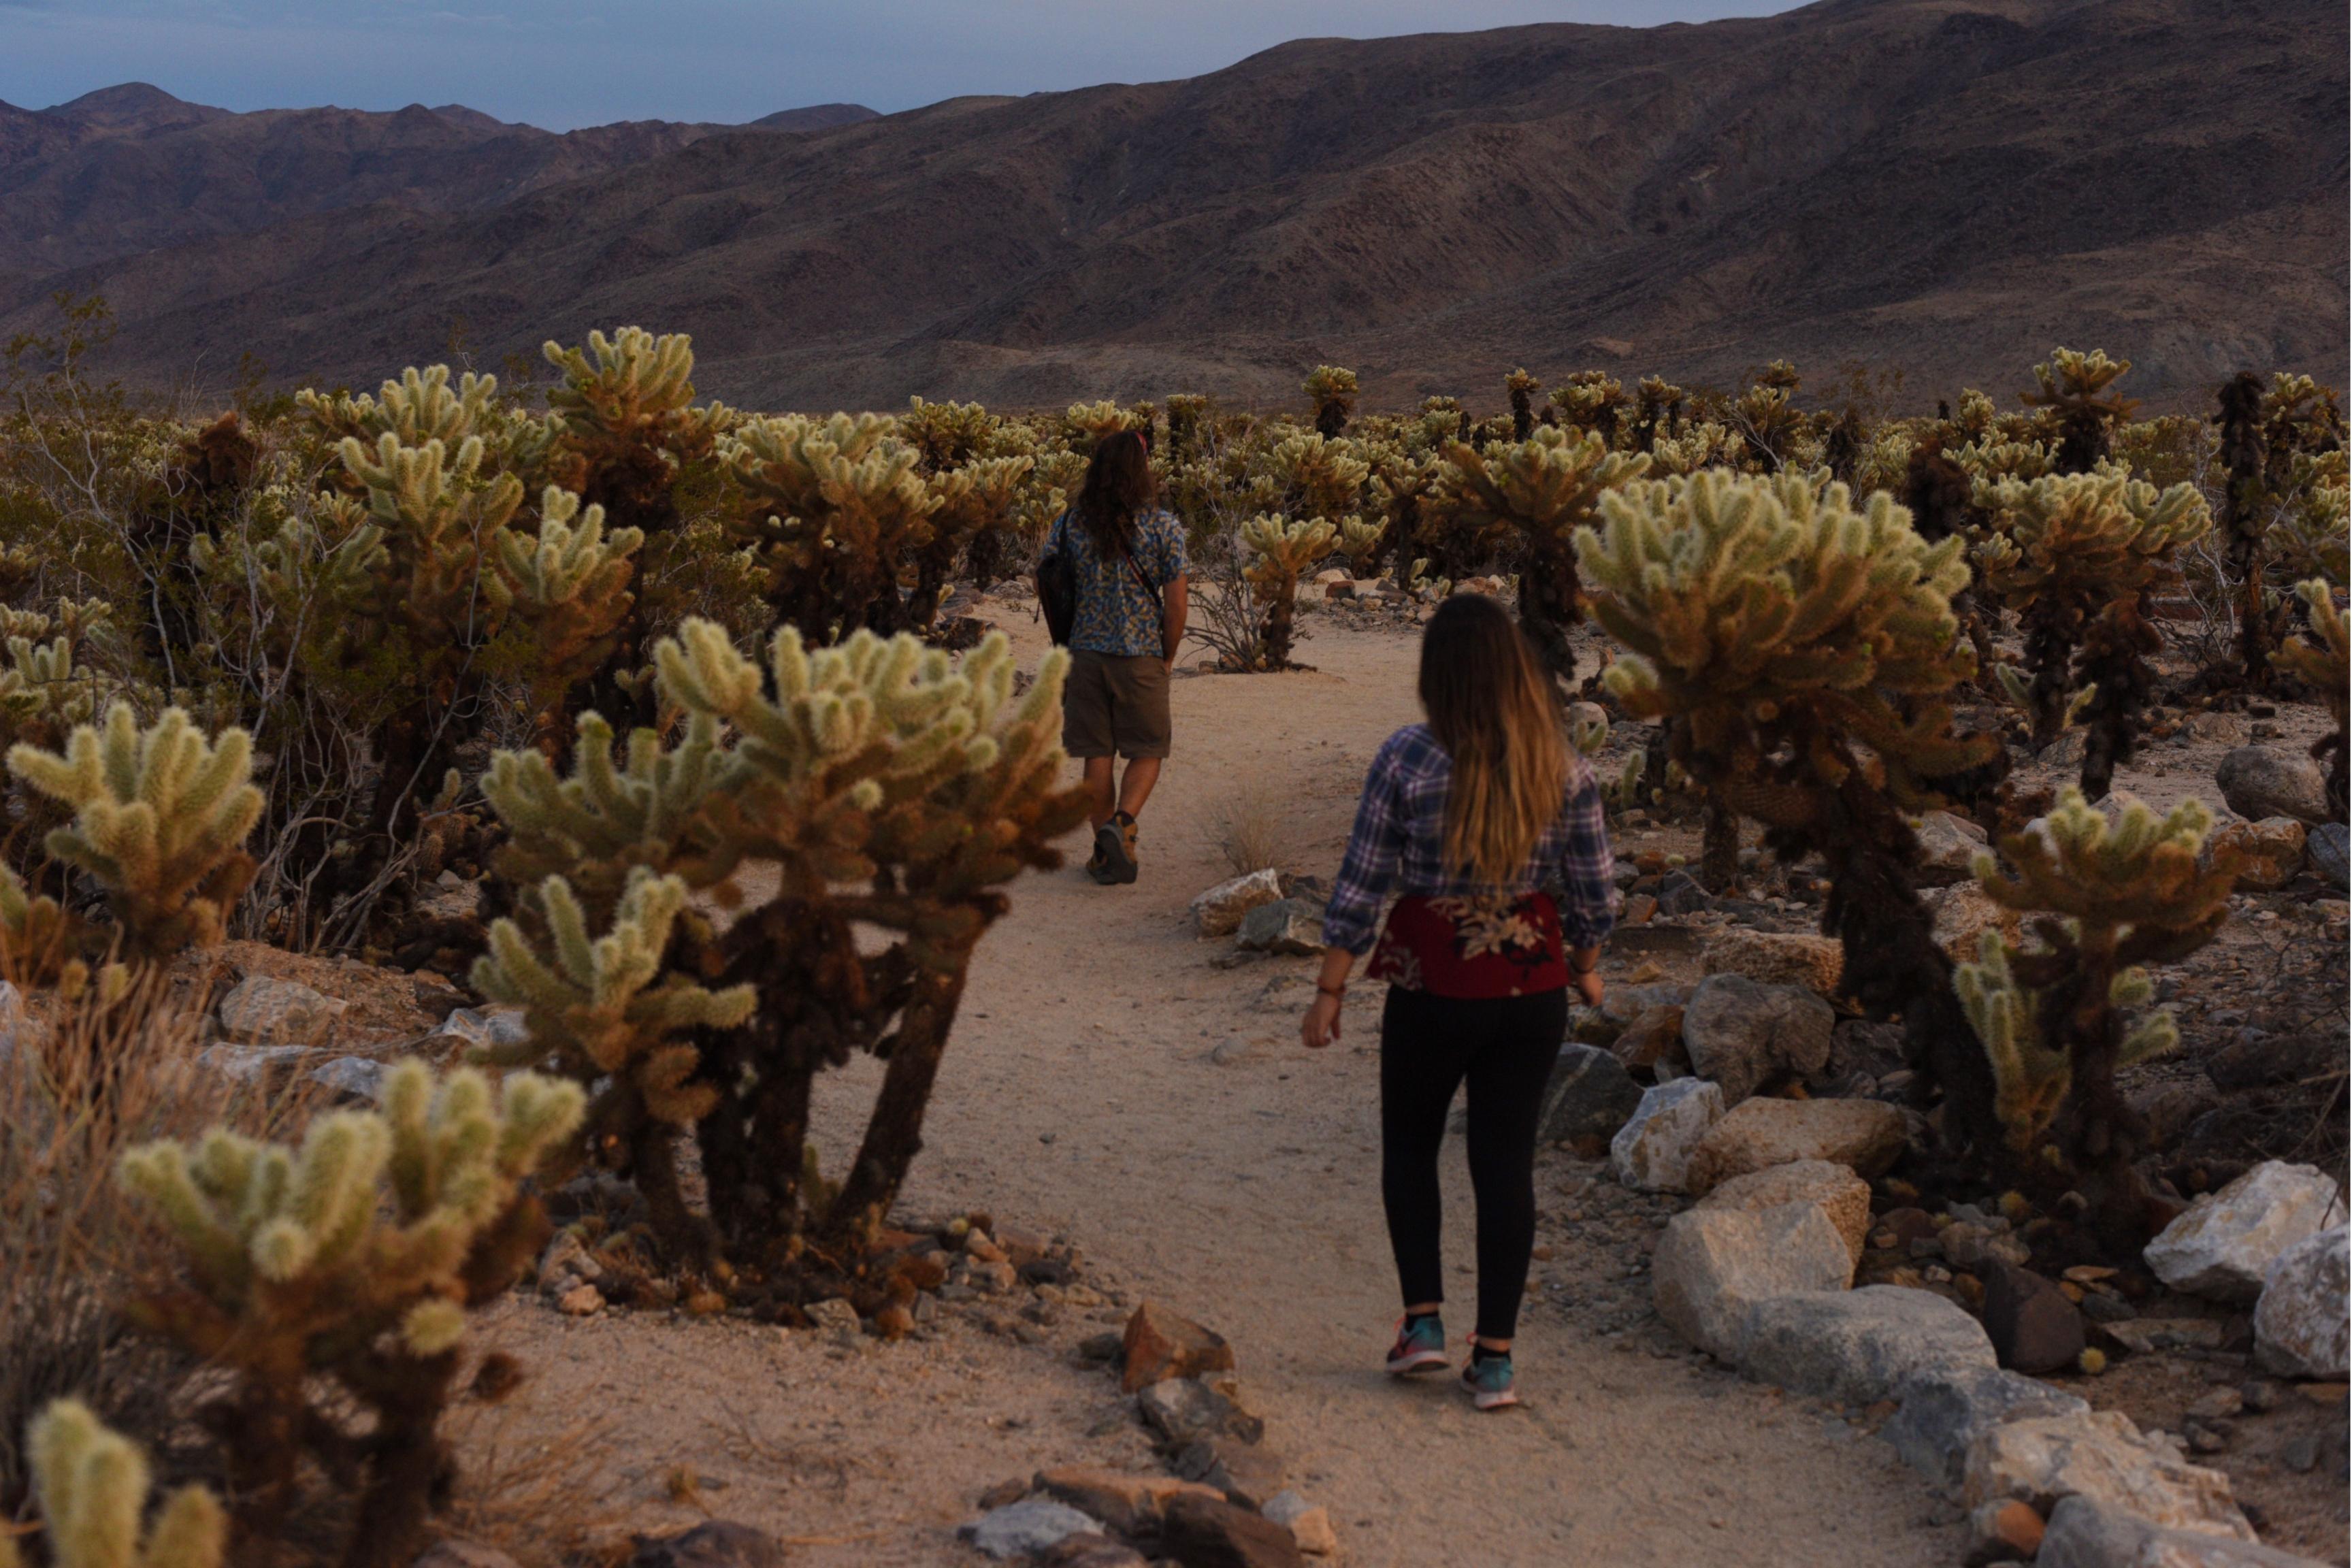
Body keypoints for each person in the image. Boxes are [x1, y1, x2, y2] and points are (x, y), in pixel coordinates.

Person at [1300, 593, 1614, 1411]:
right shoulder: (1564, 766)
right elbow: (1593, 892)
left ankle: (1424, 1327)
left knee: (1410, 1146)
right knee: (1505, 1164)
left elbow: (1363, 881)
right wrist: (1584, 962)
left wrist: (1331, 987)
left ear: (1435, 674)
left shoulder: (1407, 756)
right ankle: (1498, 1363)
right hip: (1528, 985)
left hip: (1434, 983)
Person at [1040, 429, 1189, 885]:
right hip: (1140, 653)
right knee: (1147, 749)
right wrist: (1167, 657)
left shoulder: (1069, 524)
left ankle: (1104, 854)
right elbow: (1177, 604)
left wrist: (1064, 635)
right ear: (1141, 471)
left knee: (1096, 754)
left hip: (1084, 653)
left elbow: (1044, 578)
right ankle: (1121, 825)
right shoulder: (1164, 527)